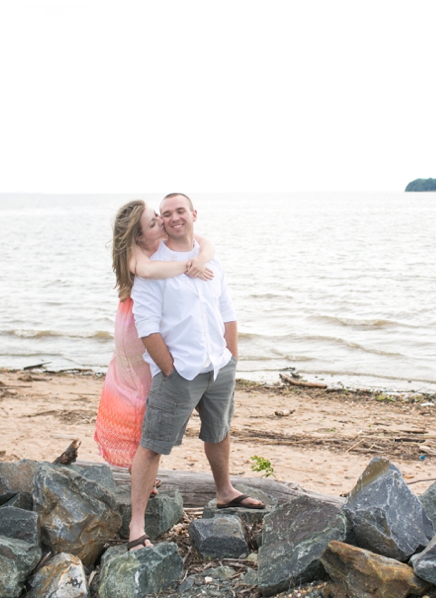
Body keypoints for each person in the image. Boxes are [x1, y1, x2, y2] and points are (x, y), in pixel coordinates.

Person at [126, 192, 263, 550]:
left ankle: (224, 491)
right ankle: (136, 525)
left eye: (179, 210)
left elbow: (227, 311)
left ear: (193, 214)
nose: (173, 217)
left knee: (218, 432)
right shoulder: (154, 268)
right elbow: (147, 326)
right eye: (165, 213)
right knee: (153, 445)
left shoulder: (211, 261)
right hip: (179, 373)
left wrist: (230, 356)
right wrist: (170, 369)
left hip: (219, 367)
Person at [93, 199, 214, 531]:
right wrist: (190, 265)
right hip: (135, 328)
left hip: (132, 323)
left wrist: (200, 257)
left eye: (159, 217)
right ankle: (142, 480)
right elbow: (149, 272)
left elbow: (206, 242)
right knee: (142, 399)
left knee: (141, 399)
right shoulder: (139, 257)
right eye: (153, 222)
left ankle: (142, 476)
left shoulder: (155, 247)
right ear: (137, 236)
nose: (162, 223)